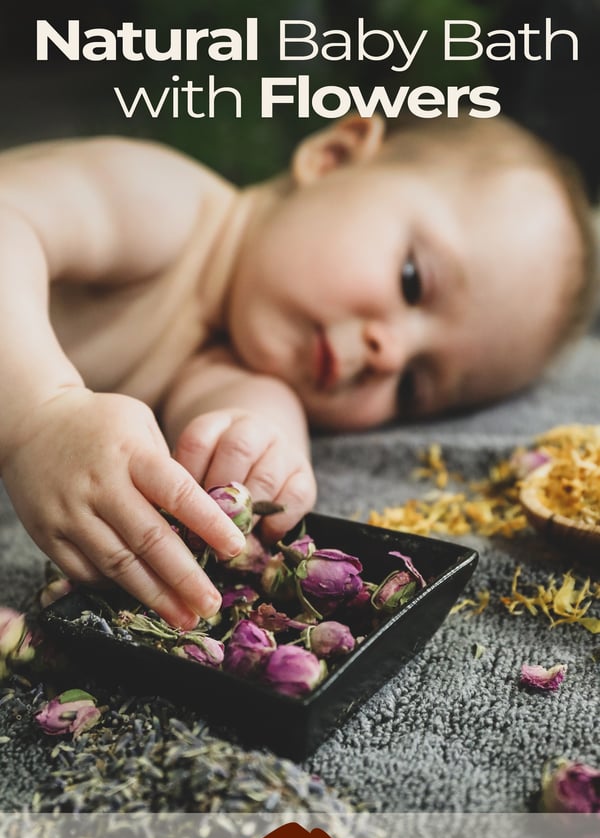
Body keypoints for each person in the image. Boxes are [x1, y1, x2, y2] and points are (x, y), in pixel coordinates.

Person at [0, 112, 595, 629]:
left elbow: (245, 417)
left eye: (413, 383)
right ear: (333, 158)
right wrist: (40, 415)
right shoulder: (163, 203)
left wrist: (263, 460)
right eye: (412, 281)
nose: (388, 354)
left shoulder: (227, 359)